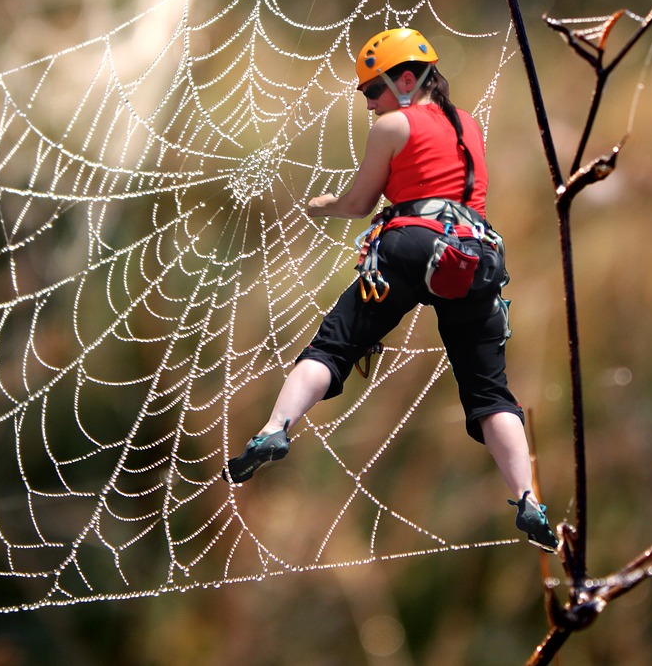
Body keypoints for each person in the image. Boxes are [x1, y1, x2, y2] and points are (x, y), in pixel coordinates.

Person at [225, 27, 557, 552]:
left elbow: (360, 203)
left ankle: (274, 428)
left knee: (333, 347)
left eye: (371, 91)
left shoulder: (394, 125)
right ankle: (528, 499)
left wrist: (324, 204)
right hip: (475, 258)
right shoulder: (468, 123)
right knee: (491, 393)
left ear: (406, 80)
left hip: (410, 246)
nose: (369, 104)